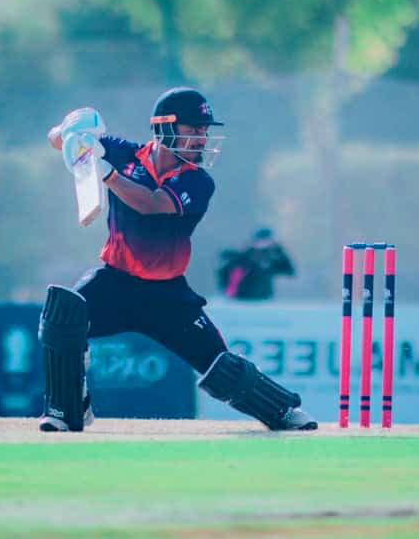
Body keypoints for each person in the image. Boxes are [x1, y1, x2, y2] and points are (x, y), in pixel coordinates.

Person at [37, 86, 318, 432]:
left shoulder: (198, 181)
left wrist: (105, 172)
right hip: (116, 281)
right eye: (194, 129)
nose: (202, 138)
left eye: (205, 131)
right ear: (165, 128)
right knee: (64, 315)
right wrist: (72, 134)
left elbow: (151, 203)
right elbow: (56, 140)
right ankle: (70, 409)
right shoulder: (126, 153)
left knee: (221, 367)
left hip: (167, 296)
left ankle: (283, 412)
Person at [217, 227, 295, 300]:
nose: (264, 243)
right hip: (242, 298)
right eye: (262, 239)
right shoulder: (244, 255)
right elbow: (224, 270)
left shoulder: (272, 257)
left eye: (267, 240)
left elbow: (289, 271)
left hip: (265, 298)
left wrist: (280, 252)